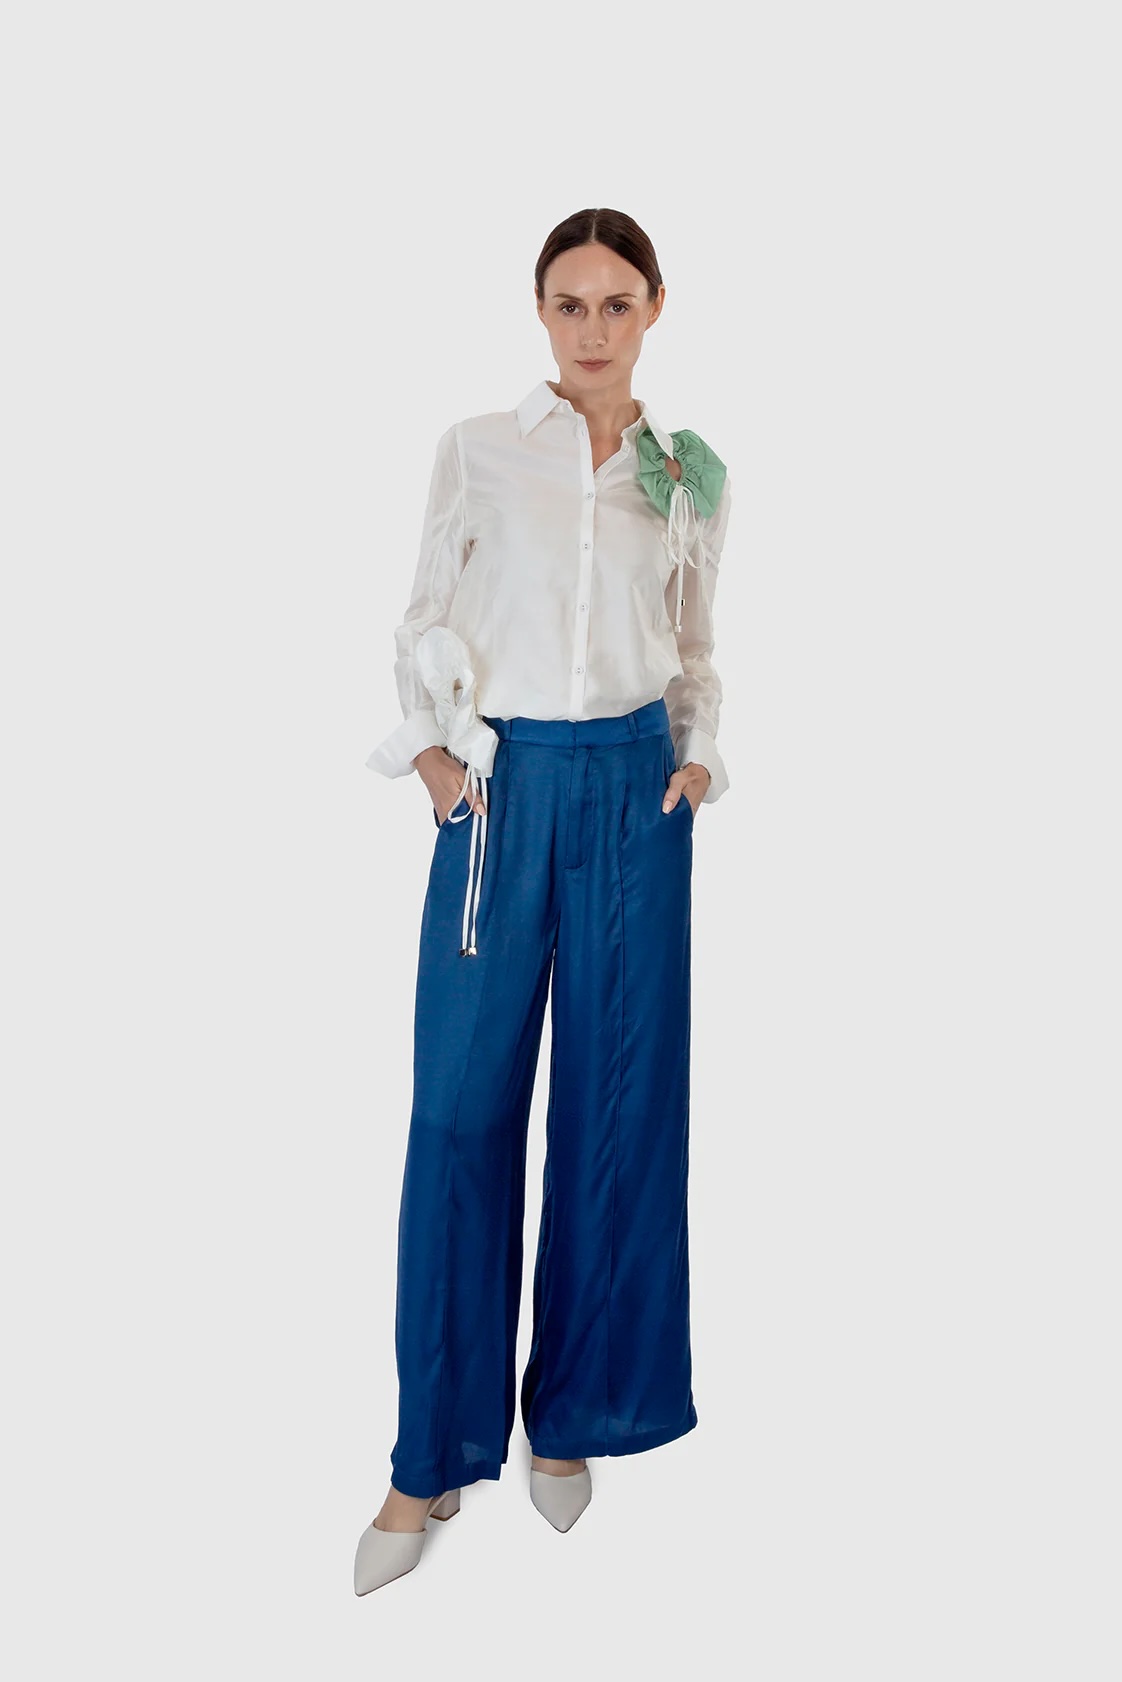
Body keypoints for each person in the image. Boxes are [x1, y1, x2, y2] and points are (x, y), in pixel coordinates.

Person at [354, 207, 733, 1594]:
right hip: (500, 792)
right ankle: (431, 1453)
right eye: (570, 303)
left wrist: (694, 759)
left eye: (616, 303)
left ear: (653, 309)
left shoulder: (685, 476)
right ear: (539, 311)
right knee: (459, 1113)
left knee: (615, 1112)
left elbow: (692, 642)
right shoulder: (478, 449)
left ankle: (572, 1412)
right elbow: (421, 617)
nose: (592, 328)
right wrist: (436, 764)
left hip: (634, 789)